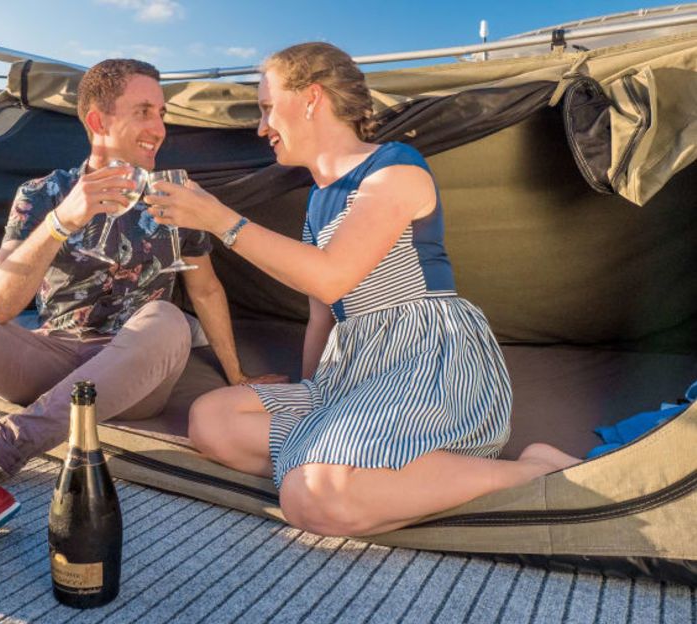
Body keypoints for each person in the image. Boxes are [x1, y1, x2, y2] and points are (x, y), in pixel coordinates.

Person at [0, 58, 285, 581]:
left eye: (162, 112)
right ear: (98, 122)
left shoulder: (176, 197)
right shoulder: (43, 195)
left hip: (132, 369)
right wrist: (62, 221)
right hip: (52, 355)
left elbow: (207, 289)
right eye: (145, 112)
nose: (160, 127)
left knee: (168, 318)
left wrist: (237, 375)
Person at [145, 42, 580, 538]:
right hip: (352, 366)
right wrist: (311, 392)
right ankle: (378, 469)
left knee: (313, 500)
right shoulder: (317, 201)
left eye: (267, 108)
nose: (261, 127)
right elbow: (323, 313)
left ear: (311, 98)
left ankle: (531, 470)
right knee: (211, 420)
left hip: (423, 356)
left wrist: (219, 219)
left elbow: (333, 275)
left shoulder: (396, 168)